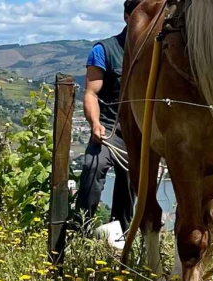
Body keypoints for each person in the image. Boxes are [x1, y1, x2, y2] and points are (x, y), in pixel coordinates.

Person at [77, 0, 139, 234]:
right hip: (109, 127)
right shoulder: (104, 50)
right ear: (126, 16)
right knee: (93, 167)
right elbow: (91, 93)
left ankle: (121, 237)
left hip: (137, 131)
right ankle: (81, 231)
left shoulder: (155, 53)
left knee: (130, 186)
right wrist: (95, 124)